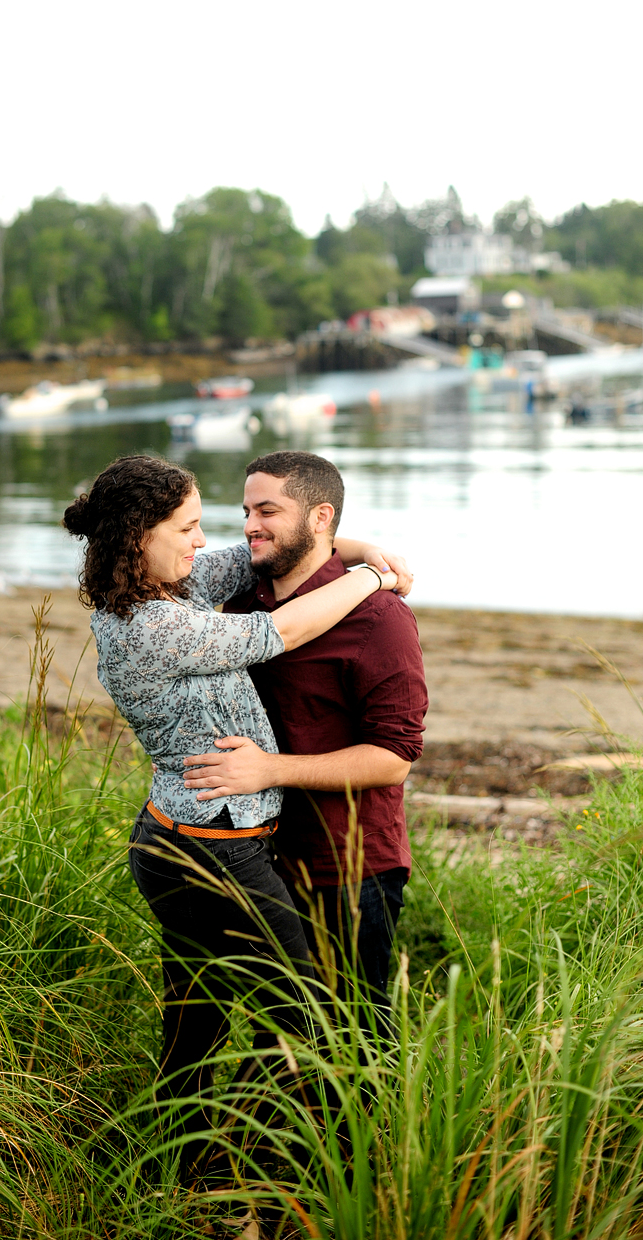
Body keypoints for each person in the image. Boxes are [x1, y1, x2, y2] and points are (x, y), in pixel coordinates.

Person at [61, 453, 402, 1178]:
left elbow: (253, 559)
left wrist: (355, 545)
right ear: (137, 537)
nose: (203, 539)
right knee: (304, 1013)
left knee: (196, 1027)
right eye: (187, 527)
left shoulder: (167, 584)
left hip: (184, 842)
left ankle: (164, 1176)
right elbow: (273, 632)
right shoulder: (152, 624)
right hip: (213, 853)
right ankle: (266, 1180)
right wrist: (370, 579)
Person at [182, 450, 428, 1040]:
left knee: (358, 1041)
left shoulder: (380, 618)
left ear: (320, 518)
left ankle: (374, 1138)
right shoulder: (242, 603)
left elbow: (394, 758)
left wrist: (270, 769)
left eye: (268, 510)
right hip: (255, 855)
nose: (249, 526)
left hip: (347, 864)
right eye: (245, 510)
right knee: (281, 1041)